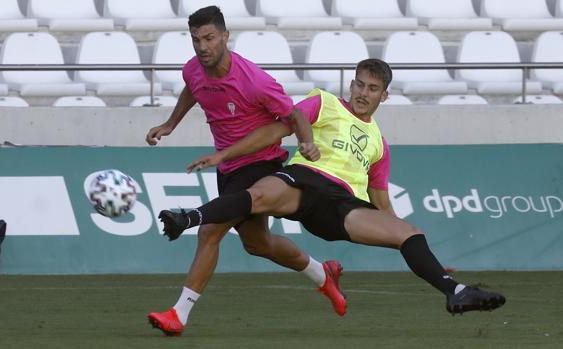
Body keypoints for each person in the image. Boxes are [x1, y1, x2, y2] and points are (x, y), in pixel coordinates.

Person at [159, 58, 506, 317]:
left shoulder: (379, 145)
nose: (363, 94)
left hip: (343, 207)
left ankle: (454, 291)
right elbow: (277, 130)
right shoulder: (323, 103)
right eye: (359, 85)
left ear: (383, 96)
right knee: (258, 196)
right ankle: (187, 219)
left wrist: (436, 262)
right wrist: (226, 154)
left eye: (372, 89)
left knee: (409, 231)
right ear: (351, 85)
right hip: (305, 182)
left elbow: (383, 204)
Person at [146, 6, 346, 337]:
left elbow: (294, 115)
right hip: (227, 166)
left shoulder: (254, 80)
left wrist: (307, 142)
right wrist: (170, 123)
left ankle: (178, 314)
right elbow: (192, 88)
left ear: (225, 37)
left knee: (210, 232)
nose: (203, 46)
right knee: (258, 243)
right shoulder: (194, 70)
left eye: (209, 38)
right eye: (196, 40)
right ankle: (323, 275)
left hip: (260, 163)